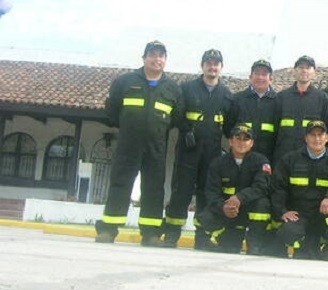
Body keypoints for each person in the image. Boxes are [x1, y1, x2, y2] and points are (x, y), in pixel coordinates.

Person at [95, 40, 184, 246]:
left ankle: (151, 233)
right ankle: (108, 229)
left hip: (156, 147)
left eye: (161, 56)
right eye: (152, 55)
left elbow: (176, 119)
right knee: (120, 184)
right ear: (144, 58)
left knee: (154, 188)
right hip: (128, 144)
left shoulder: (172, 89)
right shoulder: (125, 82)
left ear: (165, 60)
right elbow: (112, 112)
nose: (156, 59)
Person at [163, 49, 233, 248]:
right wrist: (186, 131)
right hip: (188, 150)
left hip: (212, 154)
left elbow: (229, 126)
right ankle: (171, 235)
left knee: (207, 195)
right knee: (180, 192)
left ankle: (202, 237)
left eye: (216, 63)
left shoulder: (226, 94)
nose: (212, 67)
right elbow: (177, 115)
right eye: (209, 63)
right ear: (202, 66)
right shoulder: (186, 88)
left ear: (221, 67)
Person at [271, 120, 328, 260]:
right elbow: (278, 188)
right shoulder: (290, 160)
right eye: (312, 135)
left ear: (327, 138)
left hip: (323, 215)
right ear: (306, 138)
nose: (317, 139)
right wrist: (283, 211)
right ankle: (299, 246)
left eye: (320, 135)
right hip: (299, 214)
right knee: (288, 232)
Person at [194, 123, 272, 253]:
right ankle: (215, 238)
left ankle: (255, 244)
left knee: (263, 204)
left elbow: (262, 187)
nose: (242, 142)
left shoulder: (261, 162)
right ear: (230, 141)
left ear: (252, 143)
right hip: (227, 212)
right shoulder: (218, 164)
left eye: (246, 139)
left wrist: (240, 197)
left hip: (248, 210)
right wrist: (223, 207)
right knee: (206, 219)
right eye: (238, 138)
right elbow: (212, 193)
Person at [273, 55, 328, 165]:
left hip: (311, 160)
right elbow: (274, 130)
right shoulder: (281, 97)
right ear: (294, 71)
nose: (304, 70)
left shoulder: (323, 99)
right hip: (283, 158)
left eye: (308, 67)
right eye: (301, 67)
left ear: (314, 72)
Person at [228, 60, 278, 161]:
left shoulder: (278, 101)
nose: (260, 77)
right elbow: (228, 127)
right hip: (240, 158)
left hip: (268, 158)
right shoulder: (237, 99)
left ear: (271, 78)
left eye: (264, 74)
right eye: (257, 73)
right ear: (250, 77)